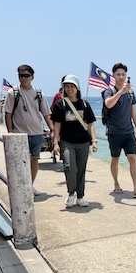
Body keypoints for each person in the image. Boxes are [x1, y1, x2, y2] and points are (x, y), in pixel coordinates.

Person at [4, 64, 54, 196]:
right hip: (19, 135)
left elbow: (46, 114)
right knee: (20, 162)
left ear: (32, 77)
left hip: (37, 133)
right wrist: (10, 133)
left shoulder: (38, 94)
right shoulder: (12, 93)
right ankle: (20, 187)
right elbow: (8, 114)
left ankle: (29, 186)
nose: (23, 78)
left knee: (34, 160)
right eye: (21, 75)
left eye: (26, 75)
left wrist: (52, 129)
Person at [51, 75, 98, 208]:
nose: (69, 89)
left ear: (77, 88)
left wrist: (94, 140)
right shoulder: (60, 104)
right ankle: (71, 194)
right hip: (67, 142)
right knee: (70, 168)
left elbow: (91, 124)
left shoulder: (84, 104)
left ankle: (81, 196)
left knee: (81, 170)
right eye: (67, 86)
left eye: (72, 86)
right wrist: (55, 143)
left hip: (83, 142)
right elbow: (57, 125)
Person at [102, 63, 136, 198]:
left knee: (132, 158)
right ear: (113, 76)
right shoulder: (109, 91)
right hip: (114, 132)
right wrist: (121, 91)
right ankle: (116, 183)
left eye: (123, 74)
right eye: (118, 74)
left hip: (128, 132)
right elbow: (108, 103)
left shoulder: (131, 93)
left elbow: (134, 113)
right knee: (115, 159)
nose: (121, 77)